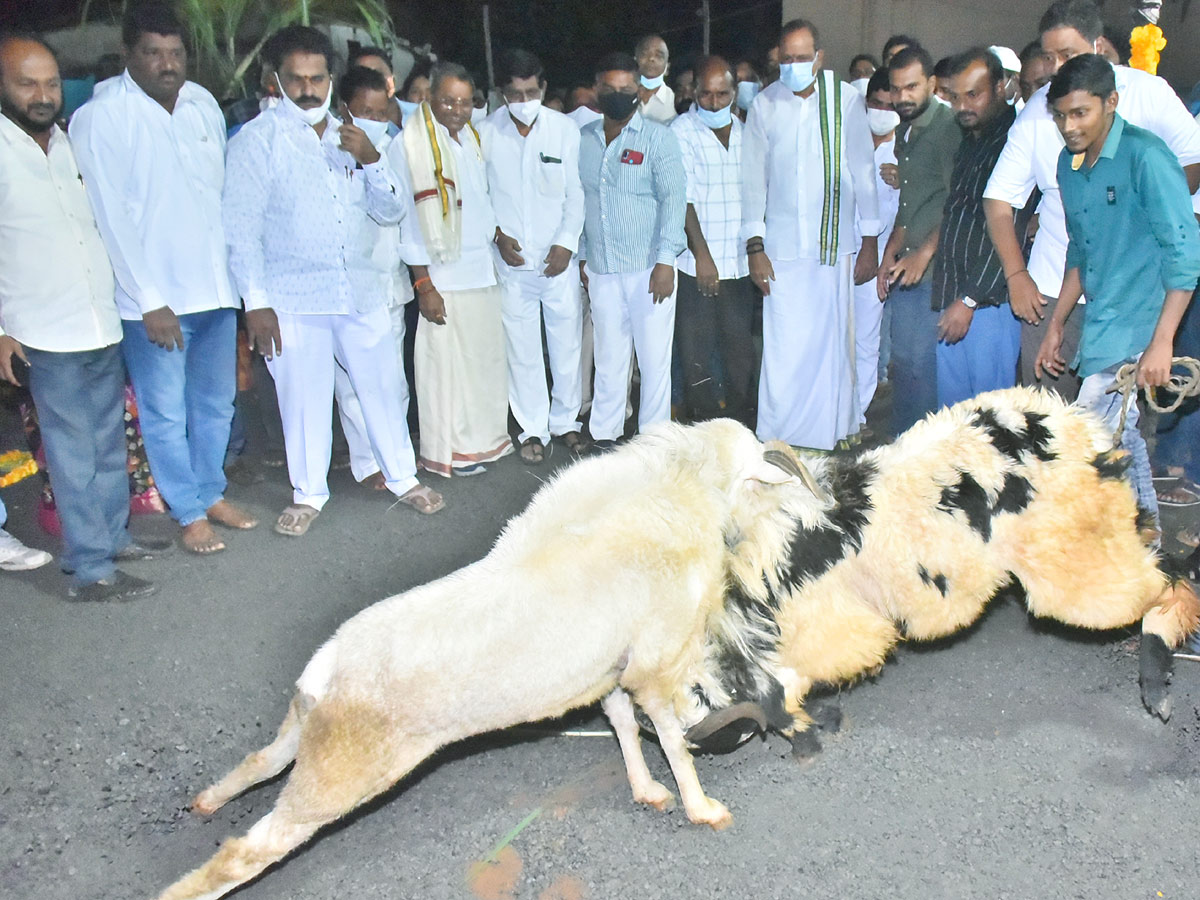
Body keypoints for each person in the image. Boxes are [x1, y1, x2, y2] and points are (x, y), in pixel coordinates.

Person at [224, 27, 443, 535]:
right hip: (292, 297)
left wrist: (370, 159)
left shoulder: (352, 135)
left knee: (383, 388)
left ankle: (402, 477)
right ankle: (309, 493)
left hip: (360, 288)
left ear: (330, 79)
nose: (307, 89)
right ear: (275, 79)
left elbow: (391, 211)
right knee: (303, 395)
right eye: (296, 79)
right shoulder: (258, 141)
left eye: (316, 78)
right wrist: (256, 303)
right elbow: (241, 229)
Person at [70, 1, 257, 555]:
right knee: (166, 410)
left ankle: (210, 491)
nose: (166, 63)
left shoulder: (201, 104)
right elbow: (111, 217)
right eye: (153, 53)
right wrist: (149, 300)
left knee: (216, 404)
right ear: (129, 54)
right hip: (154, 303)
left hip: (215, 292)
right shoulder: (101, 119)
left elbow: (222, 199)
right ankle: (187, 510)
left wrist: (239, 291)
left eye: (175, 53)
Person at [0, 33, 167, 596]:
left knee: (107, 443)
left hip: (98, 321)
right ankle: (91, 571)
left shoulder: (68, 144)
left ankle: (113, 536)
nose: (43, 94)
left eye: (50, 82)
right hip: (43, 334)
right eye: (27, 83)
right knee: (72, 455)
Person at [984, 0, 1200, 402]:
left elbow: (1185, 224)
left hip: (1133, 296)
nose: (1055, 66)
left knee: (1114, 432)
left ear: (1098, 45)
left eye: (1067, 53)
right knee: (1053, 422)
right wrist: (1026, 286)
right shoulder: (1055, 137)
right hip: (1060, 289)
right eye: (1049, 56)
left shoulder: (1147, 121)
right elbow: (1078, 244)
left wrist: (1142, 214)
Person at [1034, 54, 1200, 535]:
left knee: (1090, 436)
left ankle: (1129, 548)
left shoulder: (1146, 156)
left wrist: (1163, 340)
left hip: (1142, 322)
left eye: (1080, 113)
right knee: (1117, 443)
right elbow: (1080, 252)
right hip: (1103, 322)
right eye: (1061, 115)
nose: (1069, 126)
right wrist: (1057, 325)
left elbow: (1185, 254)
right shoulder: (1070, 164)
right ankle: (1145, 545)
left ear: (1111, 103)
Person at [742, 19, 880, 450]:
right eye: (788, 59)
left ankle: (829, 433)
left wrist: (871, 240)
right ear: (778, 60)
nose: (796, 65)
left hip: (831, 245)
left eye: (803, 58)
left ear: (819, 57)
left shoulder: (845, 99)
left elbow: (863, 172)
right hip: (780, 251)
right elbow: (752, 182)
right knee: (784, 351)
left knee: (830, 346)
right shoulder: (764, 105)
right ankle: (780, 438)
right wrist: (755, 247)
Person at [400, 62, 513, 476]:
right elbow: (410, 221)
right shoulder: (412, 144)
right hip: (443, 276)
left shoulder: (471, 137)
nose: (457, 110)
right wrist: (423, 283)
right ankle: (451, 451)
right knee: (448, 371)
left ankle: (484, 443)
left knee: (482, 365)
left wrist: (498, 235)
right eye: (448, 100)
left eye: (465, 102)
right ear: (430, 96)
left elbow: (480, 200)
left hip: (480, 269)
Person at [481, 49, 587, 464]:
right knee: (522, 348)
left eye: (530, 91)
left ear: (542, 88)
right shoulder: (485, 132)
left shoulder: (564, 130)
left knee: (565, 343)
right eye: (514, 93)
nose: (523, 100)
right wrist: (496, 235)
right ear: (501, 94)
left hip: (557, 261)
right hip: (512, 265)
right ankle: (533, 428)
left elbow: (575, 193)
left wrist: (566, 243)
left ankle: (566, 422)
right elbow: (480, 194)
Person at [578, 52, 686, 450]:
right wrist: (585, 256)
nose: (619, 96)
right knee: (609, 356)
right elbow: (585, 201)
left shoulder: (658, 138)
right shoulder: (585, 139)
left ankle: (653, 443)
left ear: (639, 92)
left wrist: (666, 261)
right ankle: (604, 434)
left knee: (654, 359)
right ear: (596, 90)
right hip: (603, 267)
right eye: (610, 90)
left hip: (647, 267)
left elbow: (674, 200)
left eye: (627, 90)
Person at [328, 65, 422, 492]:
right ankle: (367, 463)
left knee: (393, 382)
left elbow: (400, 212)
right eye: (365, 111)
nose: (374, 119)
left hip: (390, 282)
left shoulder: (396, 148)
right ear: (344, 108)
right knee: (351, 385)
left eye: (382, 112)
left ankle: (395, 453)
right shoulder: (328, 147)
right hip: (345, 288)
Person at [876, 45, 960, 436]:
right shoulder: (907, 131)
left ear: (931, 84)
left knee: (923, 369)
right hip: (907, 266)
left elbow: (957, 202)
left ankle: (922, 456)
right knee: (905, 366)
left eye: (911, 87)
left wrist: (924, 253)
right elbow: (912, 205)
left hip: (935, 269)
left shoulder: (948, 129)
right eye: (896, 89)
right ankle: (902, 450)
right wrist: (889, 254)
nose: (903, 97)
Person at [670, 55, 756, 426]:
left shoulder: (746, 131)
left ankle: (738, 425)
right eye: (706, 95)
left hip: (738, 263)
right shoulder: (681, 130)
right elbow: (683, 200)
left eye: (722, 94)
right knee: (698, 353)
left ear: (735, 93)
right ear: (693, 93)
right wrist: (702, 257)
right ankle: (702, 426)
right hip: (696, 265)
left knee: (740, 351)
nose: (714, 103)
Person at [932, 48, 1020, 409]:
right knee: (954, 420)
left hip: (987, 303)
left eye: (974, 94)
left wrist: (969, 300)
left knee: (990, 418)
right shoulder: (971, 139)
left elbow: (1005, 229)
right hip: (957, 296)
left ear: (1000, 87)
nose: (963, 106)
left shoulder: (1013, 141)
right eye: (955, 97)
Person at [853, 68, 901, 431]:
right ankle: (834, 410)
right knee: (834, 340)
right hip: (837, 257)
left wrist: (906, 182)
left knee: (866, 341)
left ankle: (856, 414)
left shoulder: (904, 151)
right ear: (866, 102)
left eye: (890, 104)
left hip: (878, 260)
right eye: (877, 103)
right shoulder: (847, 139)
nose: (882, 110)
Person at [347, 46, 401, 131]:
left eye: (379, 74)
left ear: (393, 81)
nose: (372, 80)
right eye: (363, 76)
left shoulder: (420, 115)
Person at [634, 34, 676, 125]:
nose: (651, 58)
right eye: (645, 54)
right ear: (635, 60)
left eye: (659, 56)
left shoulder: (674, 100)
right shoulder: (625, 94)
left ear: (667, 67)